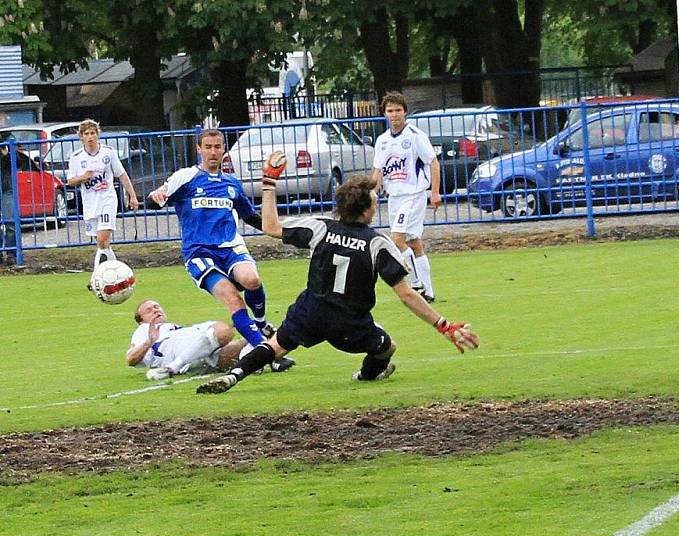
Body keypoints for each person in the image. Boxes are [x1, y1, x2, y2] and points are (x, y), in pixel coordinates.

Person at [196, 154, 478, 394]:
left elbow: (270, 226)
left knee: (275, 346)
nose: (377, 203)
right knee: (387, 347)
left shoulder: (321, 227)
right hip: (350, 323)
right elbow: (406, 294)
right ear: (366, 211)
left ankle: (234, 376)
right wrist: (444, 325)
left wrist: (269, 183)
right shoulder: (378, 243)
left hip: (311, 312)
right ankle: (365, 376)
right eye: (374, 200)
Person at [149, 128, 294, 372]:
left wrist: (281, 232)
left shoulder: (230, 184)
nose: (213, 152)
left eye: (218, 147)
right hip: (199, 253)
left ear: (224, 150)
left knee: (252, 280)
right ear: (199, 149)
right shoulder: (185, 178)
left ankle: (258, 326)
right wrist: (155, 197)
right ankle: (268, 354)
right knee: (234, 301)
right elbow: (153, 202)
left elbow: (250, 216)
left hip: (230, 247)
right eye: (208, 147)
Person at [371, 91, 441, 302]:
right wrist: (370, 191)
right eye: (390, 111)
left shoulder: (414, 136)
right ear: (384, 113)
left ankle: (416, 282)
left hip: (413, 195)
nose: (394, 115)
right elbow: (378, 171)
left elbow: (433, 162)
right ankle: (428, 291)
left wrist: (435, 192)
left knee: (397, 239)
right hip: (395, 197)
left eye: (398, 110)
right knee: (414, 242)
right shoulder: (382, 141)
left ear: (405, 112)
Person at [66, 119, 139, 270]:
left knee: (102, 239)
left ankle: (98, 275)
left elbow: (122, 174)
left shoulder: (108, 152)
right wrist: (83, 177)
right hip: (90, 204)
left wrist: (132, 196)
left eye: (93, 133)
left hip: (107, 200)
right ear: (81, 136)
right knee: (102, 244)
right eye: (86, 134)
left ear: (98, 134)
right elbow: (70, 181)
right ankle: (117, 273)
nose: (90, 137)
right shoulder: (76, 157)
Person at [127, 299, 255, 380]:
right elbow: (131, 359)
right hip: (178, 350)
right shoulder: (144, 329)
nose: (155, 310)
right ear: (141, 320)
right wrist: (149, 342)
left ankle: (270, 361)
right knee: (225, 329)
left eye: (157, 306)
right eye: (149, 310)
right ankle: (173, 367)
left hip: (199, 349)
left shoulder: (172, 327)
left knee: (252, 341)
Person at [0, 144, 16, 265]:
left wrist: (6, 155)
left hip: (6, 189)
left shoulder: (6, 144)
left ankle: (12, 254)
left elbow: (17, 164)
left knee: (10, 221)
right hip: (6, 189)